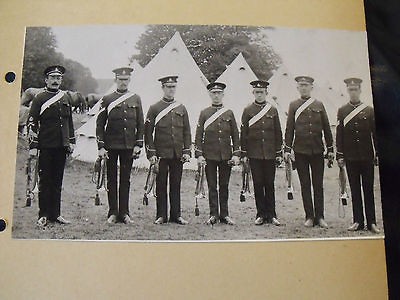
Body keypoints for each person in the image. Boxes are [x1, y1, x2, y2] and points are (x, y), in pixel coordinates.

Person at [27, 65, 75, 226]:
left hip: (61, 146)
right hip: (46, 145)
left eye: (58, 78)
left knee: (57, 181)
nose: (55, 81)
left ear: (61, 80)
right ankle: (44, 214)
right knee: (45, 181)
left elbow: (69, 122)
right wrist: (33, 145)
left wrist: (72, 141)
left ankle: (56, 214)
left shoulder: (66, 97)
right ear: (46, 80)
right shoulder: (39, 98)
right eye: (52, 78)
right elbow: (32, 122)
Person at [284, 76, 334, 228]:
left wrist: (330, 149)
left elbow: (326, 127)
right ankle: (309, 216)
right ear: (298, 88)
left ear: (311, 87)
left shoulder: (319, 104)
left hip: (317, 150)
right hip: (300, 151)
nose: (304, 88)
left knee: (318, 185)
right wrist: (287, 149)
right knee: (305, 184)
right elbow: (289, 129)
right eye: (301, 85)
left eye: (306, 85)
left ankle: (320, 217)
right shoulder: (293, 105)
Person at [96, 67, 144, 224]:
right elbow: (100, 124)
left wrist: (138, 144)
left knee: (125, 179)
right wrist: (101, 146)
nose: (123, 82)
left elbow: (140, 123)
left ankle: (125, 213)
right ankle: (112, 212)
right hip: (111, 146)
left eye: (126, 79)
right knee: (111, 179)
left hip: (128, 146)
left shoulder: (135, 99)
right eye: (120, 79)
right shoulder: (107, 99)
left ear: (129, 80)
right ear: (115, 80)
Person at [144, 76, 191, 225]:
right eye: (168, 87)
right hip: (161, 154)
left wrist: (186, 151)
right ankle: (161, 215)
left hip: (177, 154)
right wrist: (151, 153)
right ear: (163, 88)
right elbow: (148, 133)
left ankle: (176, 215)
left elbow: (187, 132)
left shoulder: (181, 108)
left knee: (176, 185)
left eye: (173, 87)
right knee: (161, 185)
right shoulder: (155, 108)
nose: (171, 90)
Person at [336, 78, 380, 233]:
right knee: (355, 190)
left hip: (367, 156)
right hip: (351, 157)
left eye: (355, 89)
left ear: (360, 91)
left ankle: (372, 222)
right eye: (350, 89)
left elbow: (375, 134)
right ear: (347, 91)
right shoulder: (342, 111)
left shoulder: (369, 110)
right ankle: (358, 221)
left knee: (368, 189)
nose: (353, 92)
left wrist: (377, 153)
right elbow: (339, 135)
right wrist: (340, 155)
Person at [194, 82, 240, 225]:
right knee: (212, 186)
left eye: (219, 93)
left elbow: (235, 135)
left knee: (224, 185)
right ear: (210, 94)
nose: (216, 96)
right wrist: (199, 154)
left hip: (226, 155)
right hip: (209, 156)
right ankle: (213, 214)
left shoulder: (229, 113)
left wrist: (236, 154)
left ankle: (224, 214)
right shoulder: (204, 113)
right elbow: (198, 135)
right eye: (213, 93)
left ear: (223, 95)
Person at [240, 80, 283, 226]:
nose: (259, 95)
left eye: (262, 92)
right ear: (253, 93)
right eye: (257, 92)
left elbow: (278, 132)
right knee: (258, 183)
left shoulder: (273, 110)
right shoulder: (248, 111)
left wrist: (278, 153)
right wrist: (244, 153)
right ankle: (260, 214)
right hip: (255, 153)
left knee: (269, 184)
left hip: (270, 153)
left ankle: (272, 215)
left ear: (266, 93)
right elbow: (243, 133)